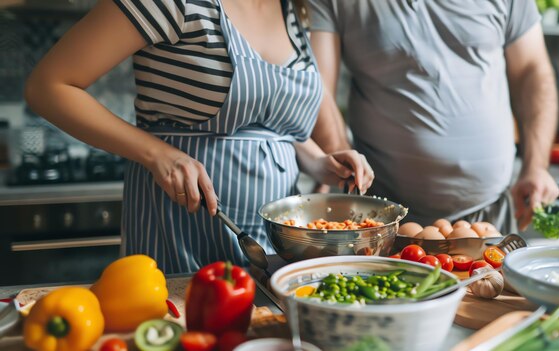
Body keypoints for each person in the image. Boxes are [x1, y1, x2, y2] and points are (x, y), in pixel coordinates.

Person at [24, 0, 374, 273]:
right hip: (179, 228)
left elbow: (268, 121)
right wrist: (156, 154)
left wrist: (317, 162)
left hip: (269, 244)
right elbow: (48, 87)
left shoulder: (293, 10)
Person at [307, 0, 559, 233]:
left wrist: (536, 166)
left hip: (491, 215)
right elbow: (318, 88)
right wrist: (346, 174)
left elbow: (532, 70)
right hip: (384, 218)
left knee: (492, 284)